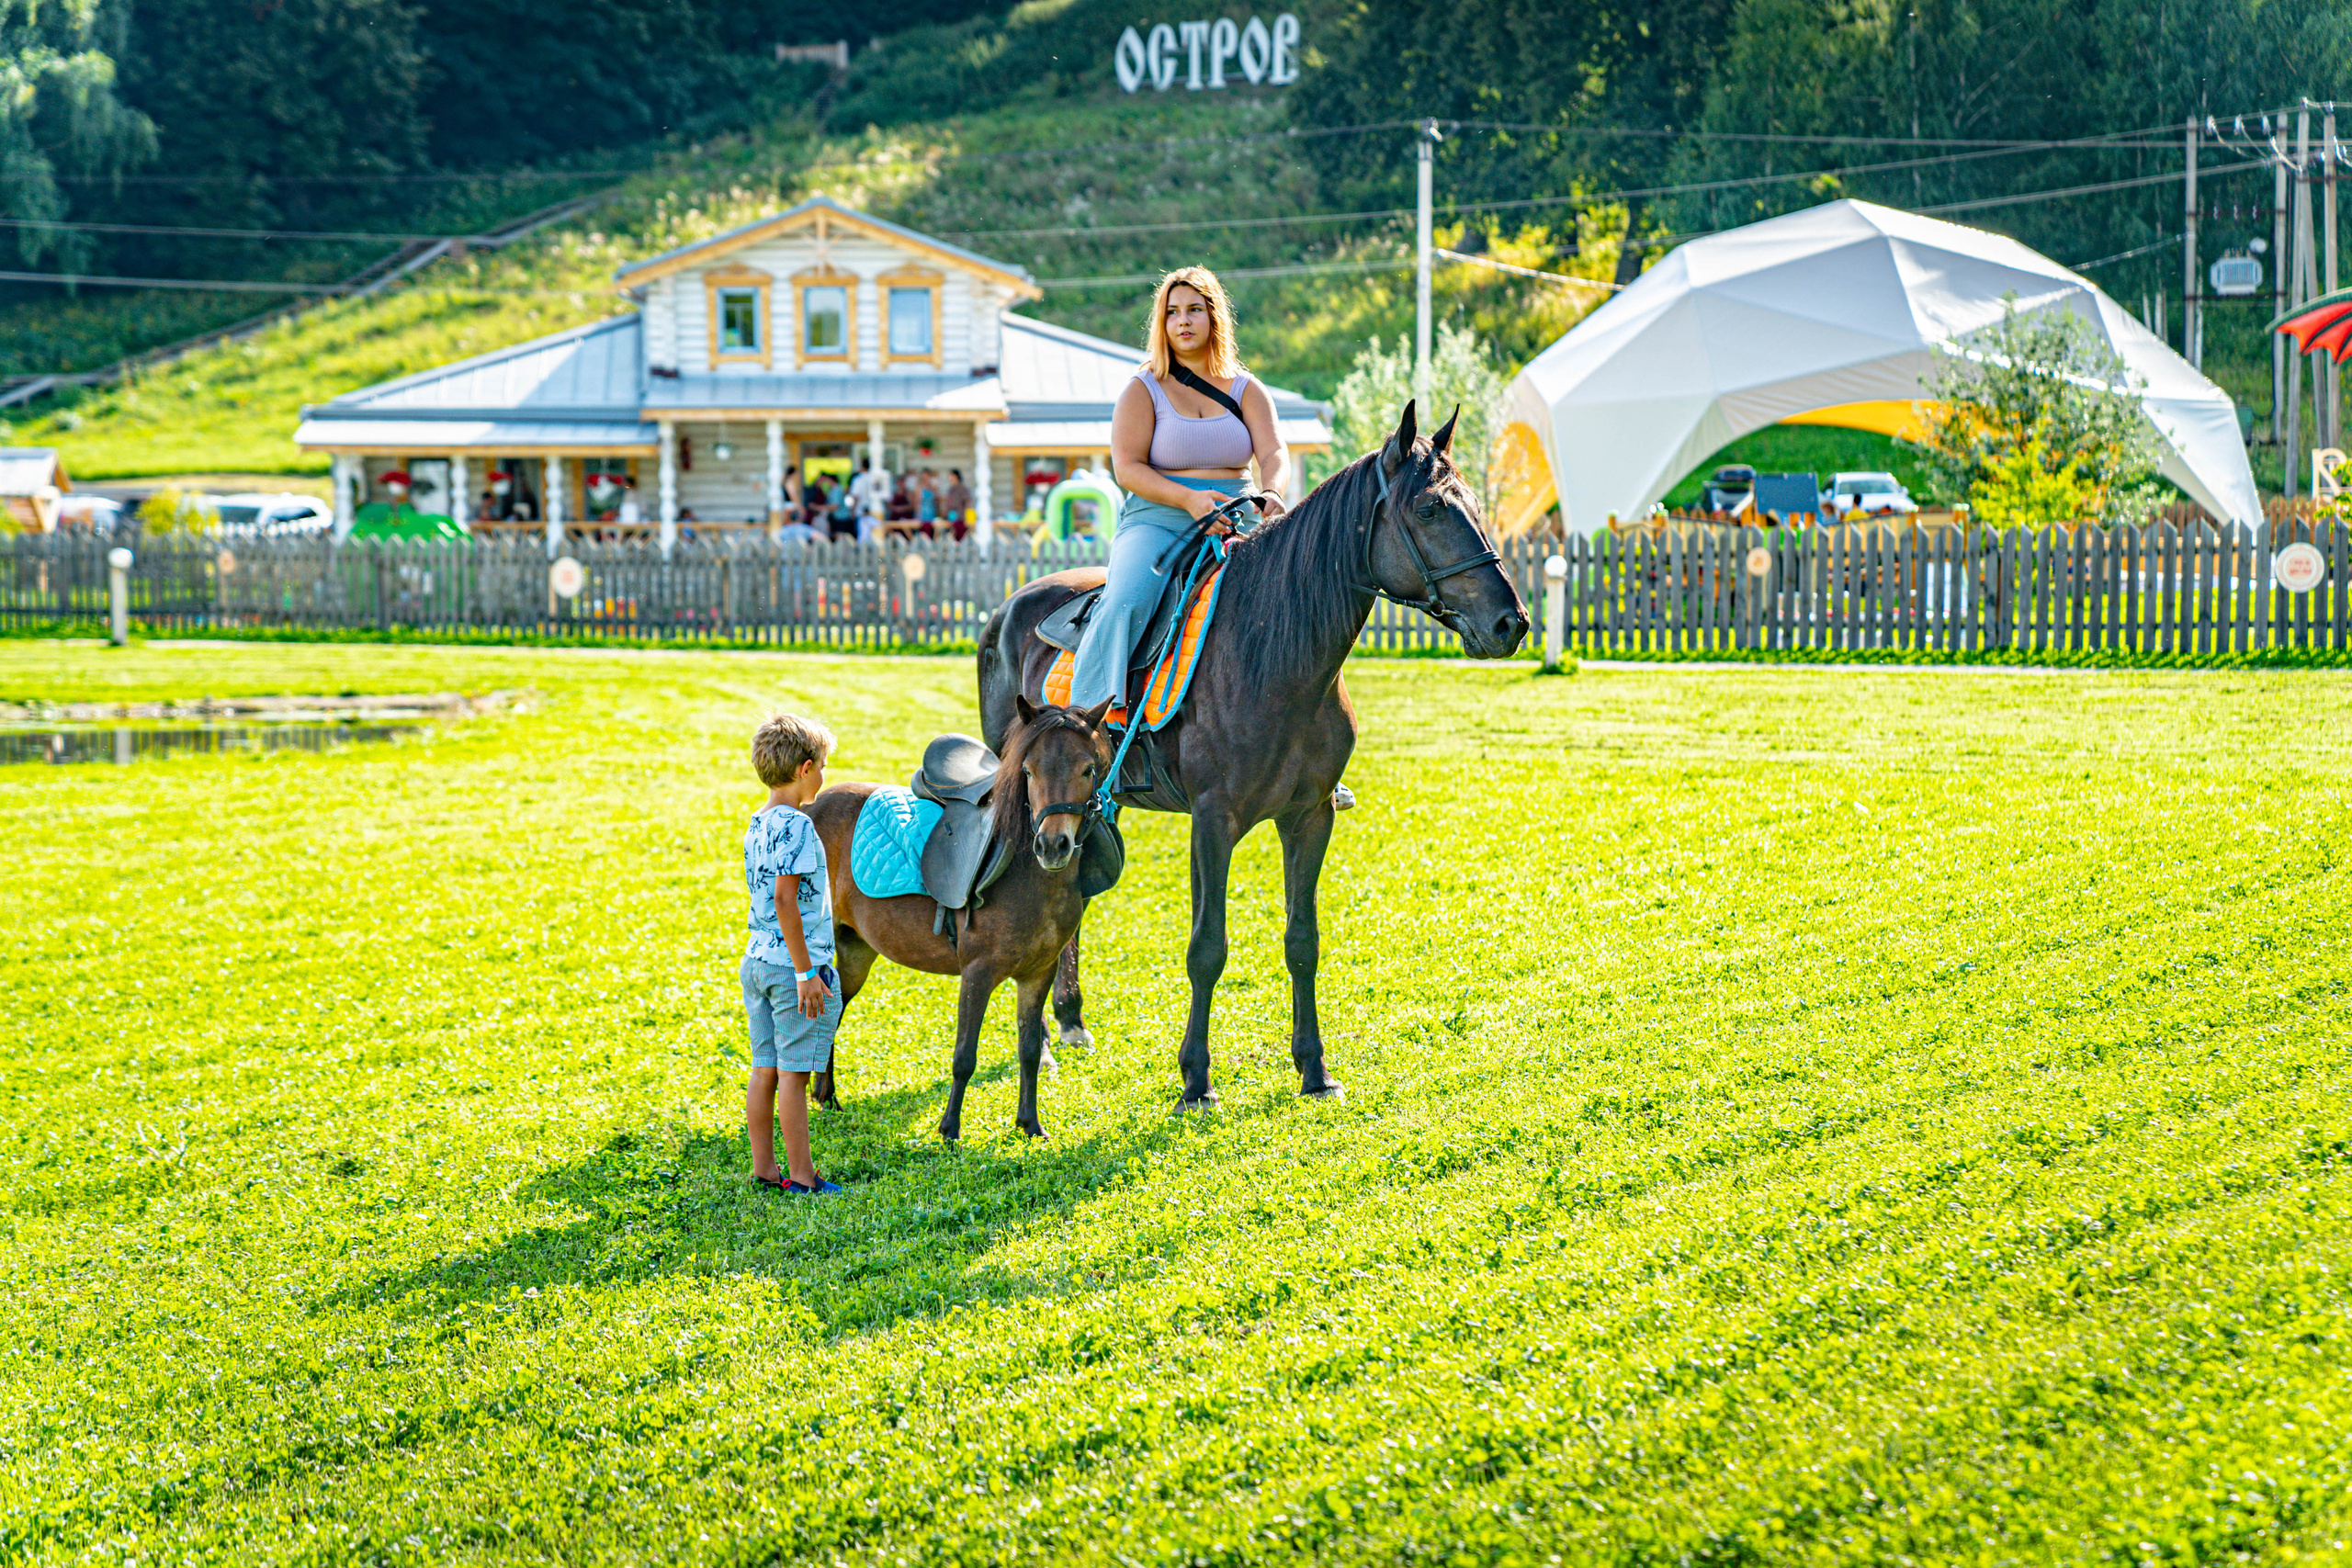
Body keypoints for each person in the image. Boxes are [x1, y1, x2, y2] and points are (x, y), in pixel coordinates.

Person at [1078, 265, 1354, 809]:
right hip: (1159, 516)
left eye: (1194, 310)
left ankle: (1316, 748)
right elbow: (1127, 467)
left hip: (1241, 514)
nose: (1184, 321)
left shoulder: (1247, 388)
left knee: (1303, 609)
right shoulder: (1143, 389)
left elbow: (1274, 453)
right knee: (1128, 598)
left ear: (1213, 316)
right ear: (1162, 322)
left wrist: (1272, 493)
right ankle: (1083, 727)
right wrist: (1188, 499)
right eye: (1173, 312)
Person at [741, 713, 846, 1196]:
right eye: (823, 765)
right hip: (790, 968)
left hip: (756, 961)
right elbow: (785, 900)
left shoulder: (756, 823)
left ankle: (765, 1169)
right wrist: (806, 973)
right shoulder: (799, 827)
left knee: (765, 1067)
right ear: (805, 769)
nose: (824, 775)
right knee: (794, 1074)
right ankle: (802, 1177)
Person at [943, 468, 971, 537]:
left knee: (959, 533)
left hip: (960, 515)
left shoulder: (962, 488)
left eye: (951, 476)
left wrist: (967, 515)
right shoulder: (950, 489)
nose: (950, 478)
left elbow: (967, 501)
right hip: (950, 515)